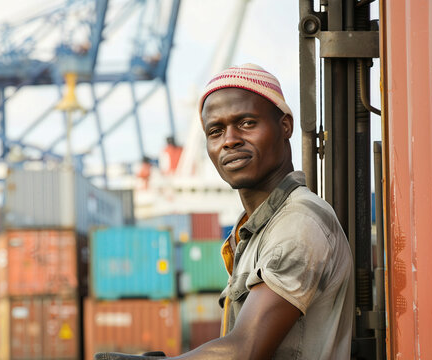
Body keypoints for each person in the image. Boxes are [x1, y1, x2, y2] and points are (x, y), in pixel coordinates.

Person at [95, 63, 354, 360]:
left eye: (246, 123)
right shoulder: (255, 231)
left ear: (285, 126)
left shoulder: (298, 223)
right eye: (215, 131)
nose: (229, 140)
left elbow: (245, 350)